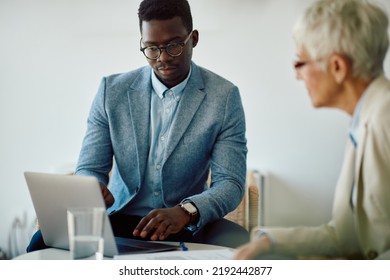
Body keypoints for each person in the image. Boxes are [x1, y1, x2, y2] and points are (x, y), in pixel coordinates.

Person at [27, 0, 248, 252]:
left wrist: (186, 211)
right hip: (119, 218)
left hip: (184, 223)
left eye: (174, 45)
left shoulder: (224, 97)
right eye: (151, 48)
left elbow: (230, 183)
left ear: (193, 39)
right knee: (40, 241)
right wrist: (92, 189)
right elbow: (89, 167)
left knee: (237, 239)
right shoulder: (112, 91)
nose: (163, 58)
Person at [234, 0, 390, 260]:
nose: (298, 76)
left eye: (300, 63)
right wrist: (269, 242)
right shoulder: (363, 119)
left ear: (337, 67)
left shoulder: (384, 117)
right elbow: (346, 236)